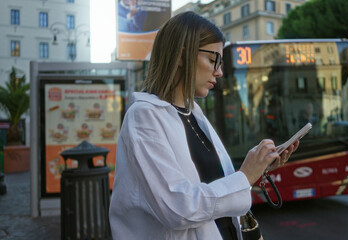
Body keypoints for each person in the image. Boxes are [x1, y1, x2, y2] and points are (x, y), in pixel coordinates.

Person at [109, 11, 299, 240]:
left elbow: (216, 188)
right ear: (181, 55)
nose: (219, 71)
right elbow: (177, 208)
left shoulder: (195, 114)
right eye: (212, 60)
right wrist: (245, 176)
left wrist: (258, 166)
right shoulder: (143, 117)